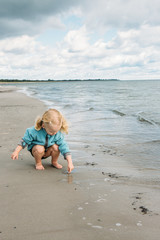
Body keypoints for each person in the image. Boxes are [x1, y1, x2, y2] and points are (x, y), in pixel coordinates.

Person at [11, 108, 74, 173]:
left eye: (56, 131)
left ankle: (54, 162)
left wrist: (70, 162)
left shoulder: (57, 134)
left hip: (48, 151)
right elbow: (24, 141)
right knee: (39, 148)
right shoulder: (34, 131)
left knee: (56, 147)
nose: (54, 133)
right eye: (51, 131)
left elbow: (64, 146)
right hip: (37, 151)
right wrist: (16, 151)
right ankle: (38, 163)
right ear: (43, 125)